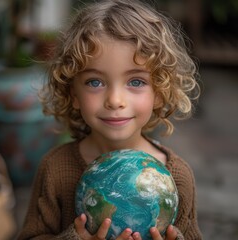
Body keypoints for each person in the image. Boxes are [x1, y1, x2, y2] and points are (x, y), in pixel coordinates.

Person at [17, 0, 202, 239]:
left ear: (159, 92)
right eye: (95, 82)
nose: (115, 100)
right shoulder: (55, 169)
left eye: (136, 81)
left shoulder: (177, 177)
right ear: (73, 94)